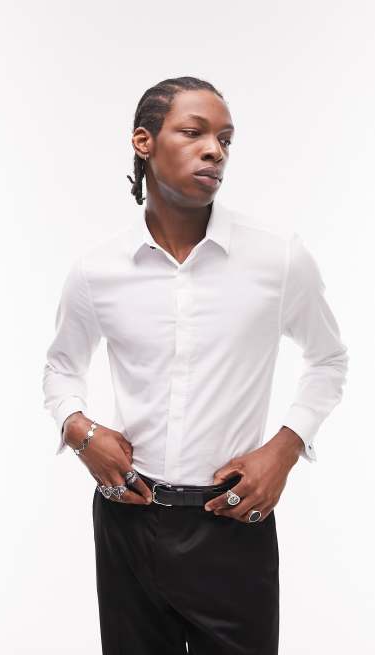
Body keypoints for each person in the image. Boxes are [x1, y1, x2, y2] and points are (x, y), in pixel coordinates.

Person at [42, 76, 349, 655]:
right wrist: (80, 431)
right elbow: (60, 367)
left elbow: (328, 358)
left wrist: (284, 449)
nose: (215, 151)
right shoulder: (96, 270)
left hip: (233, 523)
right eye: (194, 133)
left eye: (225, 140)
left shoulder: (278, 257)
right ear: (144, 142)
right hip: (128, 521)